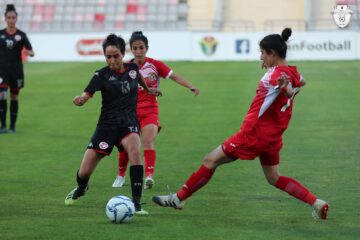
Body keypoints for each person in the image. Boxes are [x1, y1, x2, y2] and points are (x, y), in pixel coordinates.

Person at [152, 28, 329, 220]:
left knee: (210, 160)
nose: (261, 57)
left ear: (273, 53)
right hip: (272, 137)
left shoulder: (275, 77)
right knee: (274, 178)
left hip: (252, 134)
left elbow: (286, 89)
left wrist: (285, 87)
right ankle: (316, 202)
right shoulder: (291, 72)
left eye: (263, 53)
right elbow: (300, 83)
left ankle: (179, 198)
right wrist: (286, 84)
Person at [64, 34, 161, 215]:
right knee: (84, 172)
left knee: (134, 151)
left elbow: (137, 76)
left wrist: (148, 90)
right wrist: (81, 99)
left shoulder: (132, 68)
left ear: (123, 54)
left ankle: (137, 203)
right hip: (106, 126)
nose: (112, 60)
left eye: (115, 56)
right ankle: (82, 187)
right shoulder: (101, 74)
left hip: (128, 124)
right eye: (108, 56)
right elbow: (87, 94)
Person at [112, 31, 200, 189]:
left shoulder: (155, 65)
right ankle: (120, 175)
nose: (139, 51)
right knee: (127, 145)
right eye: (135, 48)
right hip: (130, 112)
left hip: (150, 110)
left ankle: (149, 176)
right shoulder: (126, 67)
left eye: (141, 48)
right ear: (131, 50)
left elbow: (173, 76)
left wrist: (190, 86)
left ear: (147, 48)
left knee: (147, 141)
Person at [0, 4, 34, 133]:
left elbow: (31, 51)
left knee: (14, 97)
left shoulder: (22, 35)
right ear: (5, 19)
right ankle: (3, 126)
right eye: (9, 17)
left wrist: (29, 53)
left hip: (16, 72)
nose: (11, 20)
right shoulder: (0, 34)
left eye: (13, 17)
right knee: (2, 95)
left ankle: (12, 126)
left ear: (16, 19)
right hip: (2, 71)